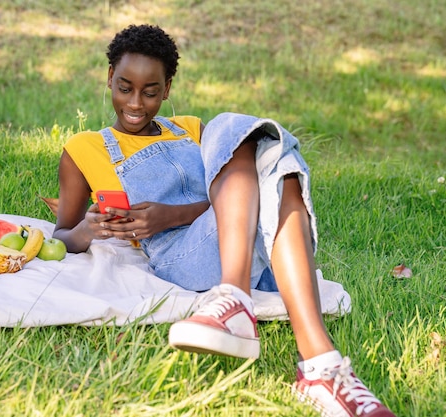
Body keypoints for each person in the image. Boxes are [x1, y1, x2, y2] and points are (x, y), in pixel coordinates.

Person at [52, 24, 395, 417]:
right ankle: (291, 343)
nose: (135, 102)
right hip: (183, 259)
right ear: (109, 78)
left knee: (265, 160)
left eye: (150, 92)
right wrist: (88, 229)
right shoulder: (85, 148)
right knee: (240, 135)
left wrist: (171, 214)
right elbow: (62, 234)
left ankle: (317, 366)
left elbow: (233, 200)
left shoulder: (190, 130)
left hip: (249, 252)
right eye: (125, 87)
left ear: (166, 89)